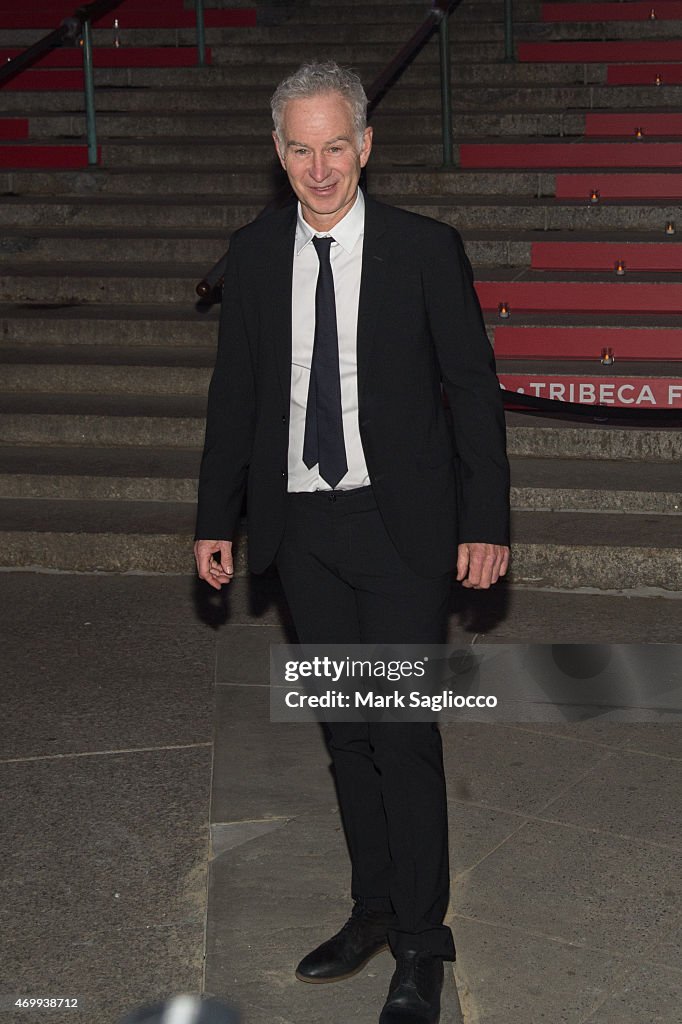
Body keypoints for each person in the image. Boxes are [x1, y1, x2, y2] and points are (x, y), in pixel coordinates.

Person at [194, 61, 510, 1024]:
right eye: (302, 147)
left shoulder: (423, 250)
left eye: (338, 145)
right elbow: (237, 397)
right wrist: (217, 517)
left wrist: (486, 522)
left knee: (401, 733)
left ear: (366, 146)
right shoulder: (251, 255)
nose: (321, 167)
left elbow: (474, 389)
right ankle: (372, 908)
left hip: (401, 526)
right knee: (345, 736)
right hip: (303, 529)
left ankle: (423, 942)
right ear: (278, 154)